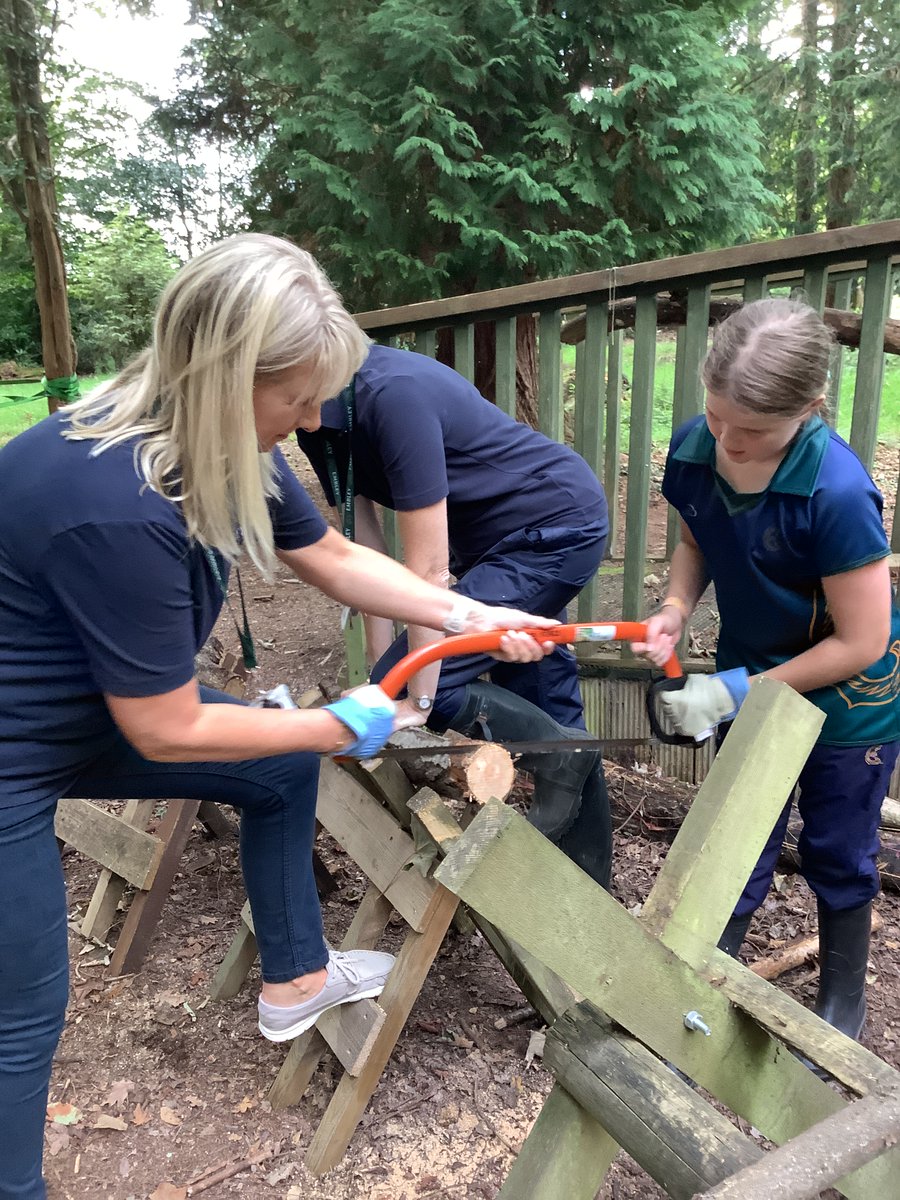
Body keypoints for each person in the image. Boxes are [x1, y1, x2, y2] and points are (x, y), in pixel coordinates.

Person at [0, 233, 559, 1200]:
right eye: (295, 398)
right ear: (223, 375)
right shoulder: (115, 502)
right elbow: (167, 729)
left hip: (82, 711)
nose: (310, 419)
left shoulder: (217, 448)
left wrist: (472, 615)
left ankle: (296, 979)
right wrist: (335, 724)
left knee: (273, 769)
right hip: (18, 748)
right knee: (23, 1010)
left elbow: (335, 556)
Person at [634, 298, 900, 1052]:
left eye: (752, 430)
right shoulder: (695, 449)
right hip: (754, 673)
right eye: (718, 417)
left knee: (839, 851)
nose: (729, 441)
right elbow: (696, 539)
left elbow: (864, 640)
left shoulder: (838, 494)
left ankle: (842, 995)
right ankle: (702, 978)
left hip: (851, 703)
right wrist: (676, 606)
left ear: (810, 409)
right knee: (742, 829)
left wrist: (730, 692)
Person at [294, 341, 613, 887]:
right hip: (490, 547)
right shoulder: (311, 416)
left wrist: (413, 695)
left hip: (552, 527)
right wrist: (377, 664)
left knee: (426, 685)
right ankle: (583, 887)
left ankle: (568, 781)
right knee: (546, 702)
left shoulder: (393, 396)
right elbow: (359, 547)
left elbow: (427, 570)